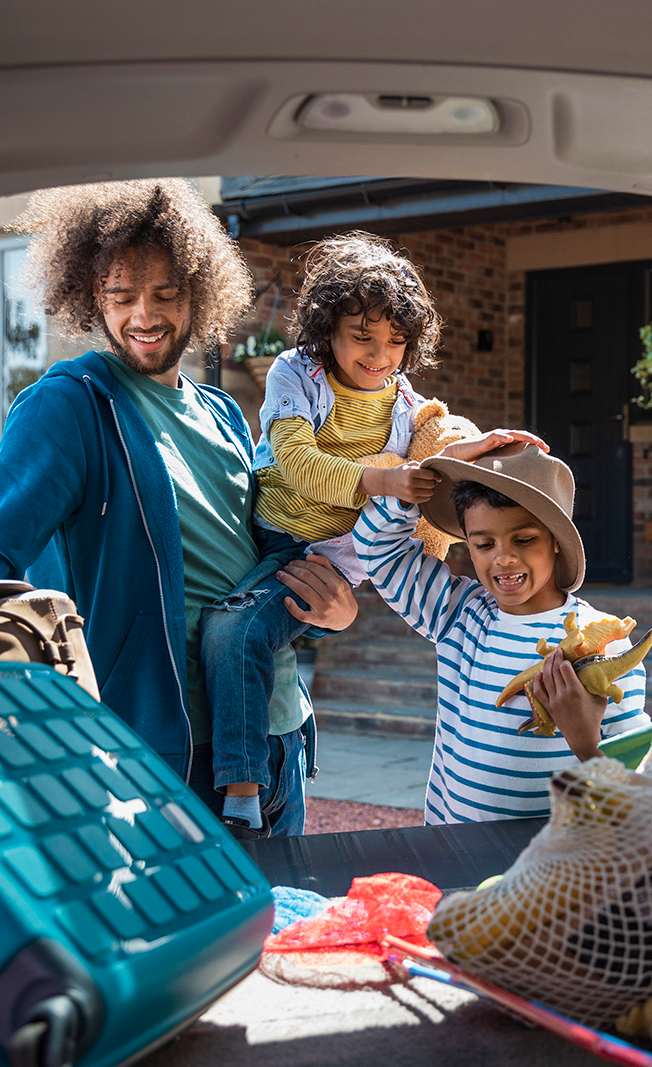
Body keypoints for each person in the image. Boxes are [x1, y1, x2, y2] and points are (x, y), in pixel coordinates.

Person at [0, 178, 356, 836]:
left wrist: (330, 612)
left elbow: (258, 558)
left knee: (285, 931)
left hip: (276, 733)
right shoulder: (69, 407)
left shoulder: (220, 414)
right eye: (121, 295)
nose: (144, 315)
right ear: (89, 297)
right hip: (160, 753)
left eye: (164, 293)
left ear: (199, 290)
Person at [201, 232, 455, 834]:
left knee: (234, 632)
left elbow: (445, 446)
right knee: (235, 630)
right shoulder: (298, 373)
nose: (379, 354)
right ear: (328, 330)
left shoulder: (408, 408)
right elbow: (301, 467)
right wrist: (385, 480)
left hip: (329, 560)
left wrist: (491, 445)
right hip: (276, 531)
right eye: (362, 336)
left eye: (396, 341)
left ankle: (242, 785)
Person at [354, 442, 652, 823]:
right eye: (483, 543)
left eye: (524, 539)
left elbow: (640, 782)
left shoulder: (604, 640)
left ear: (557, 543)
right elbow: (378, 549)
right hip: (452, 849)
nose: (503, 558)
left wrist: (585, 739)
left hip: (551, 866)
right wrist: (413, 488)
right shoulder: (456, 614)